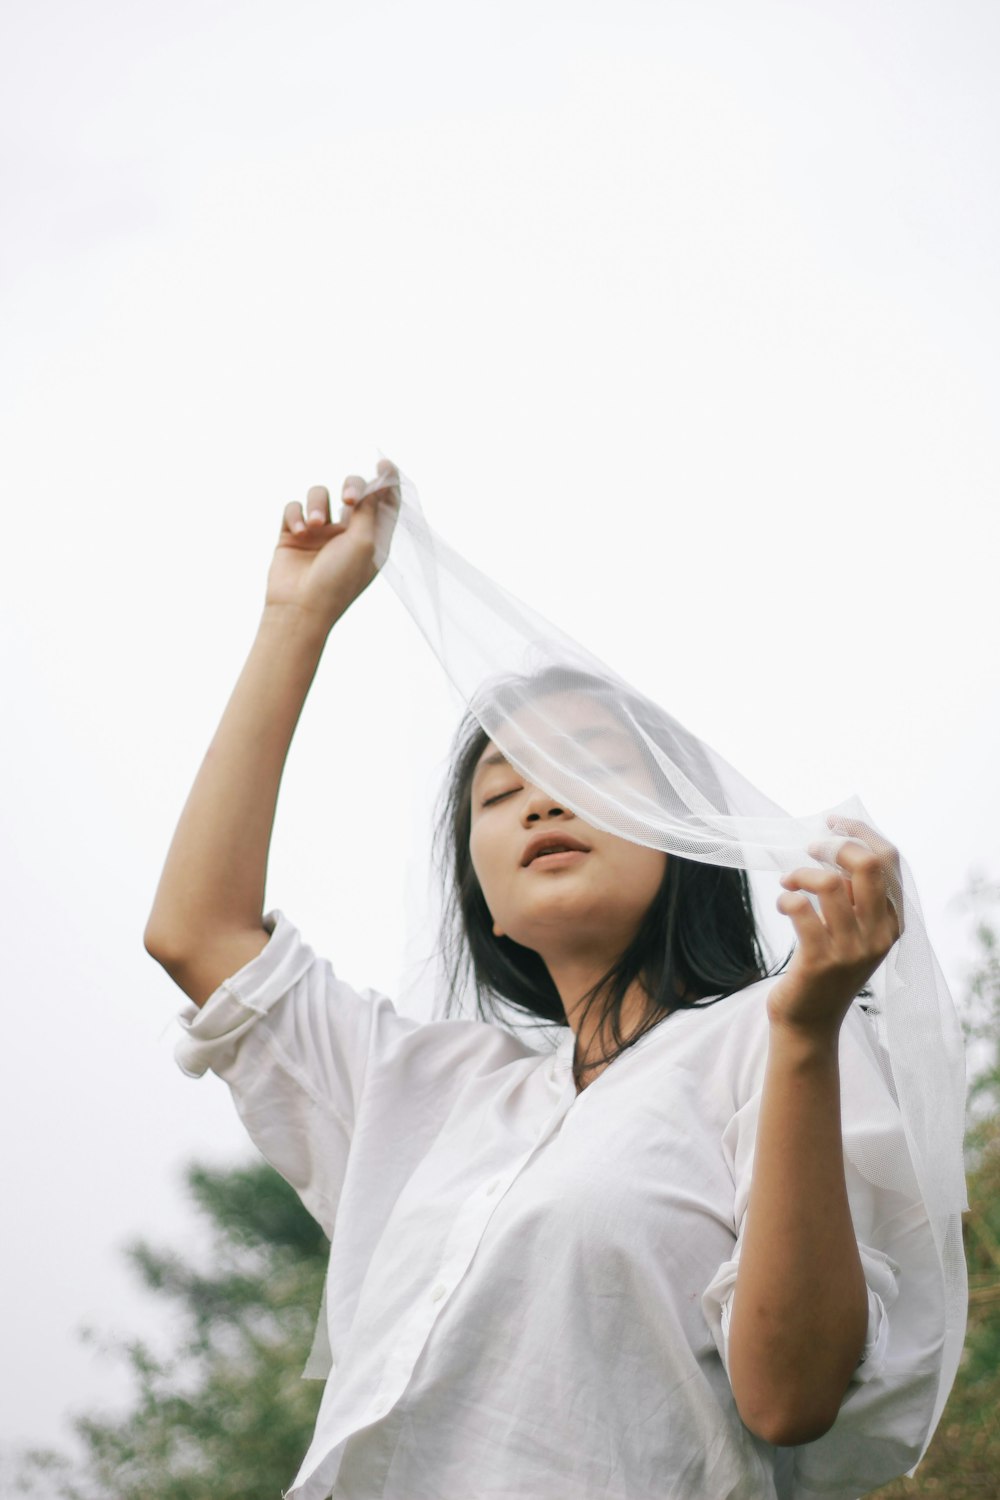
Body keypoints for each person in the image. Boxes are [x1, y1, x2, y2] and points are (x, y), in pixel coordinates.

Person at [145, 462, 949, 1500]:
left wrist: (803, 1033)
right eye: (499, 790)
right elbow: (197, 936)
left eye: (584, 770)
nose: (537, 802)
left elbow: (787, 1400)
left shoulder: (779, 1037)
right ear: (476, 884)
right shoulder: (429, 1089)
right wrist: (296, 617)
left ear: (681, 830)